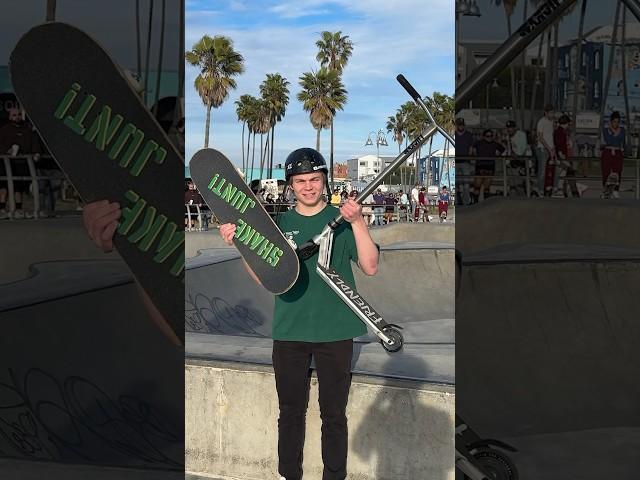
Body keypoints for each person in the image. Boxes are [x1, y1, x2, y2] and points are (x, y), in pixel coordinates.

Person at [219, 148, 379, 480]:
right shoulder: (279, 225)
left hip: (335, 330)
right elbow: (265, 277)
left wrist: (358, 221)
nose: (308, 187)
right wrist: (240, 244)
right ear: (291, 185)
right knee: (290, 413)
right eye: (301, 181)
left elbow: (370, 266)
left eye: (314, 180)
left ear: (324, 182)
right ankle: (288, 475)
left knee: (333, 415)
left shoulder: (341, 222)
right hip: (290, 331)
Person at [0, 107, 41, 219]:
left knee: (19, 187)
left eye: (18, 115)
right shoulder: (4, 130)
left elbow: (34, 144)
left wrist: (36, 153)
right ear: (9, 116)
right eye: (14, 115)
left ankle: (18, 209)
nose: (16, 117)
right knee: (3, 187)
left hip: (22, 163)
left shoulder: (27, 130)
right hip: (5, 163)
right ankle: (2, 209)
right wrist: (6, 151)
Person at [472, 129, 504, 202]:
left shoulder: (495, 143)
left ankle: (485, 203)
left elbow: (502, 149)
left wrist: (497, 154)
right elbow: (473, 149)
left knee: (487, 187)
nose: (489, 137)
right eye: (487, 136)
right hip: (480, 166)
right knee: (477, 186)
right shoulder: (479, 143)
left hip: (490, 166)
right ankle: (475, 203)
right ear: (484, 136)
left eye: (491, 136)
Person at [600, 110, 625, 198]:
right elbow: (608, 141)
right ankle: (605, 190)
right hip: (607, 151)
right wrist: (614, 134)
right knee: (606, 172)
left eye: (618, 122)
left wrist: (614, 134)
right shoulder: (605, 130)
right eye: (614, 122)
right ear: (611, 122)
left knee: (617, 171)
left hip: (618, 152)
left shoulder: (622, 130)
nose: (616, 124)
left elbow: (621, 140)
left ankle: (615, 190)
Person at [504, 120, 530, 196]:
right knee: (511, 185)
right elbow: (508, 150)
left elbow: (521, 151)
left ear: (515, 128)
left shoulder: (521, 135)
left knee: (519, 184)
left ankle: (523, 201)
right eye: (508, 128)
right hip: (511, 162)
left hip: (519, 162)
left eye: (511, 127)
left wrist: (514, 155)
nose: (509, 129)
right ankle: (512, 202)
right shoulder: (508, 136)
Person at [535, 103, 556, 196]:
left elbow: (551, 136)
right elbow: (540, 137)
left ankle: (550, 188)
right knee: (542, 171)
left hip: (551, 149)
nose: (552, 115)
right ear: (546, 113)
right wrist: (548, 148)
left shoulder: (552, 122)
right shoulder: (541, 122)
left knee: (552, 170)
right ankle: (539, 189)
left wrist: (553, 148)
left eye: (553, 113)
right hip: (543, 149)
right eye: (551, 113)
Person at [454, 117, 475, 205]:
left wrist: (469, 158)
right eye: (459, 125)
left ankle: (466, 202)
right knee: (455, 183)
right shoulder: (454, 134)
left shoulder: (469, 135)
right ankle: (456, 201)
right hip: (455, 162)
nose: (461, 127)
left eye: (462, 125)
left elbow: (471, 147)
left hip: (465, 162)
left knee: (466, 184)